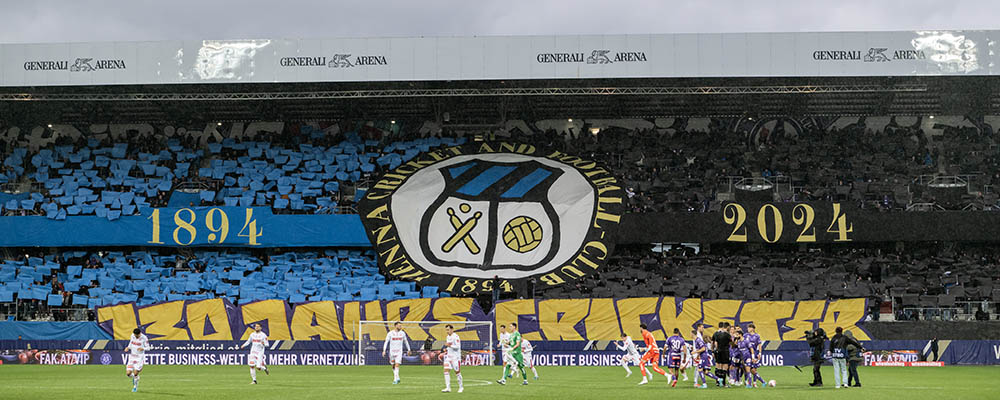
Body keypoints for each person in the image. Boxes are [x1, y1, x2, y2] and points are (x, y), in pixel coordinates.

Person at [124, 328, 149, 392]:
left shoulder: (144, 338)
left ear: (140, 333)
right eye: (135, 335)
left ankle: (135, 387)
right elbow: (131, 343)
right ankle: (136, 378)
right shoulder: (132, 335)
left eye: (137, 336)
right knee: (128, 373)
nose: (136, 336)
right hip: (132, 357)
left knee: (135, 373)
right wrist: (128, 348)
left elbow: (148, 348)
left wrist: (142, 348)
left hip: (139, 357)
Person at [441, 324, 464, 393]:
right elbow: (449, 346)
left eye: (448, 330)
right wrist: (446, 349)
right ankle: (448, 388)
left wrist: (449, 345)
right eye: (446, 330)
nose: (447, 331)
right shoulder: (447, 337)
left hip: (456, 358)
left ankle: (461, 387)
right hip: (448, 357)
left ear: (452, 329)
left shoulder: (456, 337)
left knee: (457, 372)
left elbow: (457, 347)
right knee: (446, 371)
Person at [744, 323, 766, 387]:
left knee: (754, 369)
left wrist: (760, 353)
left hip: (755, 354)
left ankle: (754, 382)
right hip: (747, 354)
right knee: (748, 369)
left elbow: (759, 345)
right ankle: (749, 382)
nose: (748, 329)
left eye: (749, 328)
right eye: (748, 328)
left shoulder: (757, 336)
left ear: (753, 329)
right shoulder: (745, 335)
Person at [711, 321, 732, 387]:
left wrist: (713, 351)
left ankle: (717, 381)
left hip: (718, 351)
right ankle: (724, 383)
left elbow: (713, 343)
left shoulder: (716, 334)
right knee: (724, 367)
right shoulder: (727, 335)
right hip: (725, 351)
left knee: (718, 366)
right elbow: (731, 343)